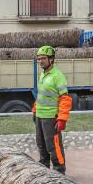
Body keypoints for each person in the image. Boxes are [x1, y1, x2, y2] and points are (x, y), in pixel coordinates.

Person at [32, 45, 72, 174]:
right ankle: (44, 170)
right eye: (38, 59)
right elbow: (42, 95)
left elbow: (65, 98)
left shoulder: (57, 76)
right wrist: (35, 110)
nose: (40, 61)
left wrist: (62, 118)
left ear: (51, 59)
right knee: (41, 145)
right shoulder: (43, 74)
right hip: (40, 115)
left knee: (53, 146)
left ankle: (59, 171)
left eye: (43, 58)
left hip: (51, 117)